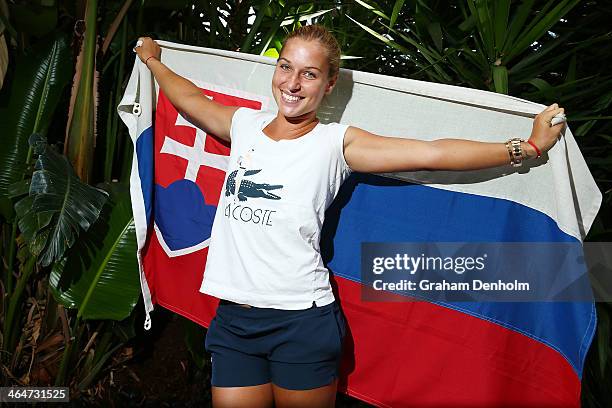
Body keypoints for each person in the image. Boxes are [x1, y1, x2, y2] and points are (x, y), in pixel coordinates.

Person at [134, 25, 565, 408]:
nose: (292, 83)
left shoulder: (334, 143)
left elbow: (431, 152)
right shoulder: (245, 125)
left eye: (309, 73)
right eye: (285, 67)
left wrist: (525, 148)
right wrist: (152, 60)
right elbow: (190, 99)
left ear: (329, 83)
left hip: (299, 323)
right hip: (233, 320)